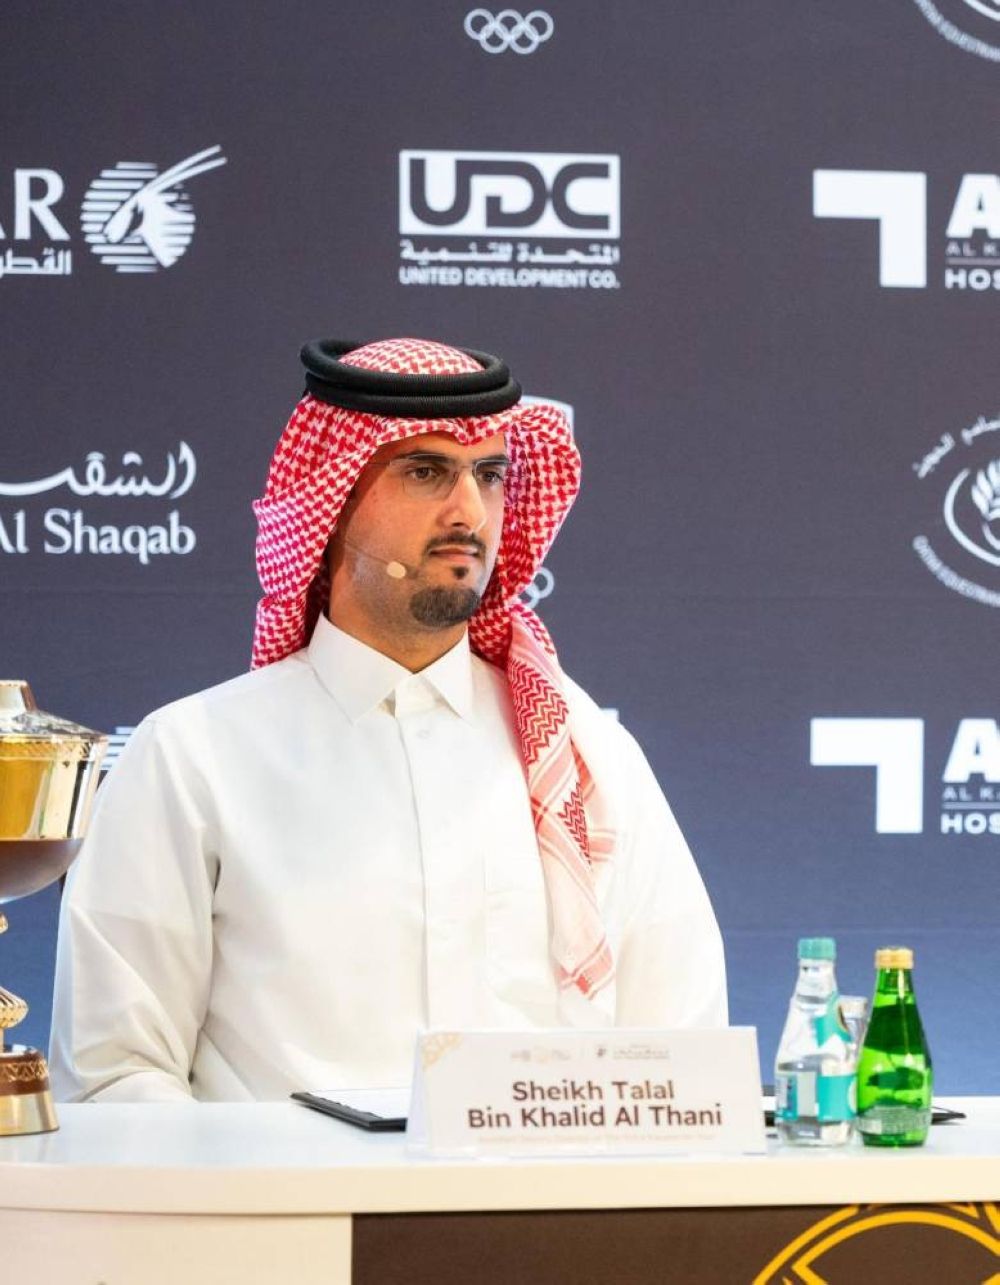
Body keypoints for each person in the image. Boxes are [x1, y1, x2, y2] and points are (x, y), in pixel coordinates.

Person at [49, 336, 726, 1103]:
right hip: (281, 1186)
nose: (469, 511)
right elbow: (116, 1074)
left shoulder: (588, 759)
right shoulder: (193, 757)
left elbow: (684, 1059)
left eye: (490, 475)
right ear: (331, 502)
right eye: (425, 471)